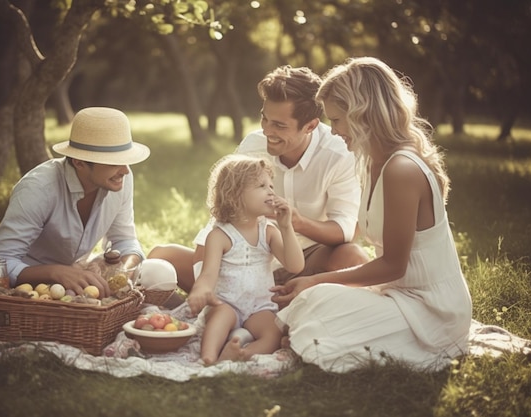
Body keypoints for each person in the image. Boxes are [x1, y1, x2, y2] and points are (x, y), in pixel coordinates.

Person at [271, 57, 473, 372]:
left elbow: (393, 265)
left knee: (314, 299)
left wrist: (315, 280)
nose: (333, 131)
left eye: (337, 120)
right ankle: (313, 339)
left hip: (432, 310)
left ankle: (314, 341)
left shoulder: (401, 168)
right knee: (316, 302)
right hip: (397, 295)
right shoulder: (368, 162)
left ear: (363, 114)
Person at [149, 65, 369, 296]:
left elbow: (345, 230)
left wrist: (296, 222)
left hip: (309, 262)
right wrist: (205, 273)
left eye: (279, 125)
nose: (267, 131)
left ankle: (274, 307)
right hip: (248, 259)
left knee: (352, 257)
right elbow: (224, 212)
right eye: (265, 119)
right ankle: (250, 308)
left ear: (310, 126)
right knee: (162, 258)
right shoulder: (252, 146)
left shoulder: (339, 154)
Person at [0, 107, 150, 298]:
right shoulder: (38, 189)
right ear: (79, 163)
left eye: (126, 161)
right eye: (113, 162)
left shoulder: (120, 177)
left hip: (75, 280)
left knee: (160, 272)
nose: (125, 170)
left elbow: (125, 240)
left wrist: (123, 270)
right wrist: (54, 272)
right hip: (25, 288)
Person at [187, 155, 304, 364]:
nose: (271, 191)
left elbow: (295, 265)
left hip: (260, 307)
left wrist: (286, 227)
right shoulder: (220, 235)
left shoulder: (268, 231)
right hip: (226, 303)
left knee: (273, 332)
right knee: (219, 319)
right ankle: (209, 358)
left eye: (271, 185)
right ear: (234, 195)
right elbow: (208, 274)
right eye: (261, 186)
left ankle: (241, 354)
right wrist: (201, 290)